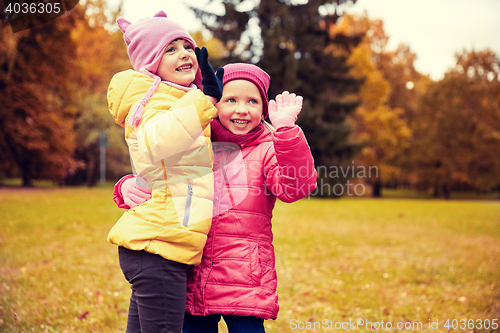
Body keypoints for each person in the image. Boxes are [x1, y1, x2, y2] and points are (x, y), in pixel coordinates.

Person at [116, 63, 317, 332]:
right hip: (192, 275)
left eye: (252, 101)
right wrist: (126, 186)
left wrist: (286, 133)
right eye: (230, 99)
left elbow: (295, 188)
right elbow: (156, 170)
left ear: (264, 109)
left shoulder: (268, 149)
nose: (241, 109)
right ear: (214, 102)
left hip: (244, 279)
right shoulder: (194, 141)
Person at [107, 11, 224, 333]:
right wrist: (206, 100)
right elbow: (156, 142)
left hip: (160, 245)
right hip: (157, 245)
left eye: (186, 45)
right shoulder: (155, 100)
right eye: (169, 49)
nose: (184, 54)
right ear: (150, 62)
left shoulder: (181, 99)